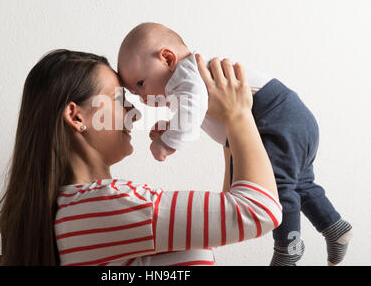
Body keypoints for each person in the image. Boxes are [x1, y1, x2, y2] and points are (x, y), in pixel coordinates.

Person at [0, 48, 281, 266]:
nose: (135, 112)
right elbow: (259, 211)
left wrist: (228, 128)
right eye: (119, 100)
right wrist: (239, 114)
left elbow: (230, 211)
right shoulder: (108, 204)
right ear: (76, 117)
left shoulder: (80, 209)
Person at [117, 22, 352, 266]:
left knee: (279, 186)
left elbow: (190, 114)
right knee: (300, 183)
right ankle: (335, 227)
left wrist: (166, 143)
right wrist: (169, 126)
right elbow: (196, 113)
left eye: (140, 84)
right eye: (134, 92)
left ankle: (288, 246)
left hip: (277, 117)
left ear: (167, 58)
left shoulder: (187, 73)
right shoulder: (187, 83)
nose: (141, 97)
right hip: (289, 118)